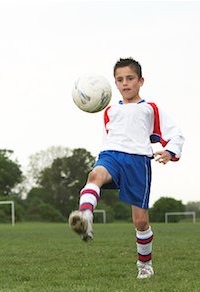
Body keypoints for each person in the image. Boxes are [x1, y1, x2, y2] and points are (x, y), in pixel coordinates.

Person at [68, 57, 185, 279]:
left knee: (140, 221)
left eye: (130, 78)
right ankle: (85, 217)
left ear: (141, 81)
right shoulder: (109, 111)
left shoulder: (150, 109)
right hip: (111, 155)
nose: (125, 83)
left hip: (138, 162)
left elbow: (176, 134)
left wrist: (170, 151)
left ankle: (145, 265)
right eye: (120, 80)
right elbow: (108, 139)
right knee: (95, 175)